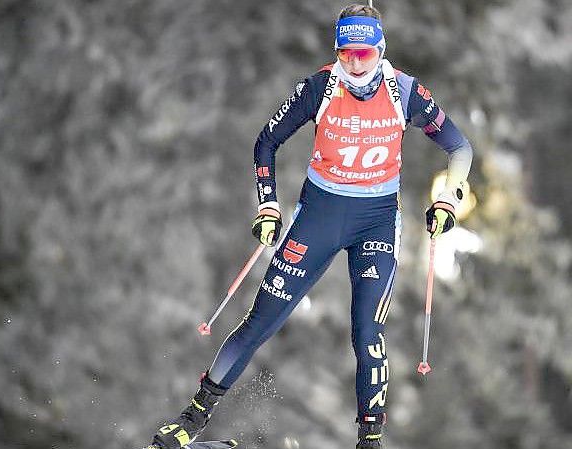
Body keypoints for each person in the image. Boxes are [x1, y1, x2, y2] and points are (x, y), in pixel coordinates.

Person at [148, 4, 472, 449]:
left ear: (381, 49)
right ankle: (191, 419)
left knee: (367, 332)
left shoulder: (406, 93)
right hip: (318, 218)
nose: (356, 64)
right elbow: (266, 142)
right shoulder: (319, 87)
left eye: (365, 53)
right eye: (346, 54)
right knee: (258, 322)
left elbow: (459, 148)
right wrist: (268, 207)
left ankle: (370, 441)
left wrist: (445, 200)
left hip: (375, 223)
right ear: (336, 52)